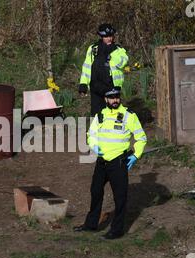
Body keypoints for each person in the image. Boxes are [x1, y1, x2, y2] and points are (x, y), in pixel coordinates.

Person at [74, 88, 147, 239]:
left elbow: (141, 138)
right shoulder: (100, 115)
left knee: (120, 197)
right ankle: (91, 224)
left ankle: (117, 230)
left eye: (117, 97)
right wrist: (94, 146)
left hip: (118, 162)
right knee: (95, 191)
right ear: (106, 99)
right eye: (111, 98)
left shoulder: (129, 116)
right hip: (102, 161)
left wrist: (135, 155)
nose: (115, 100)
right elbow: (91, 134)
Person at [79, 23, 129, 116]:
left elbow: (122, 63)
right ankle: (95, 130)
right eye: (106, 36)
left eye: (110, 36)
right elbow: (87, 67)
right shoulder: (93, 48)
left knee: (112, 113)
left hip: (112, 86)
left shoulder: (118, 49)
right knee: (97, 114)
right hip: (96, 86)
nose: (109, 38)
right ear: (101, 36)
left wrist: (112, 52)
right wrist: (83, 84)